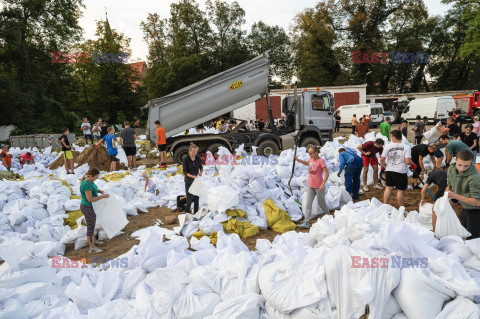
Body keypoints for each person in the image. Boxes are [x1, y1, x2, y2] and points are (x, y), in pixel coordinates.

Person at [446, 150, 480, 239]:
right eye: (459, 165)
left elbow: (477, 202)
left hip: (476, 210)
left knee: (473, 238)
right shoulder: (451, 169)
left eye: (466, 166)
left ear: (472, 163)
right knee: (463, 231)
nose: (462, 169)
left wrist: (454, 196)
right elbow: (449, 186)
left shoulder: (475, 177)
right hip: (465, 207)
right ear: (455, 160)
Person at [293, 145, 330, 228]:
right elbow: (307, 163)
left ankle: (329, 216)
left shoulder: (321, 161)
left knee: (321, 203)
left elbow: (327, 173)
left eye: (311, 153)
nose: (309, 155)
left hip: (318, 186)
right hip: (310, 185)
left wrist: (323, 184)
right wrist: (297, 160)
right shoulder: (311, 159)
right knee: (308, 204)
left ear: (316, 153)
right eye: (308, 153)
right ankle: (306, 222)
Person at [380, 129, 414, 207]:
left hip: (389, 170)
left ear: (394, 137)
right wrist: (413, 164)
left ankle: (385, 206)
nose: (391, 138)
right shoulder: (406, 147)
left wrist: (383, 169)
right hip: (400, 171)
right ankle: (401, 208)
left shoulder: (388, 146)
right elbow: (408, 161)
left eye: (392, 136)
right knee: (401, 191)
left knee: (388, 188)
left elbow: (382, 159)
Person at [80, 168, 109, 253]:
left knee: (92, 226)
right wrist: (103, 196)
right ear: (91, 176)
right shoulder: (86, 184)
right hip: (87, 207)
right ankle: (92, 248)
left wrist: (99, 191)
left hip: (90, 207)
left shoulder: (89, 181)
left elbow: (92, 189)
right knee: (90, 227)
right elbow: (90, 199)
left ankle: (92, 243)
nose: (97, 178)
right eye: (96, 177)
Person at [182, 144, 203, 214]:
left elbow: (201, 167)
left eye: (196, 151)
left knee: (197, 198)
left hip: (196, 181)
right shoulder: (186, 159)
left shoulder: (197, 158)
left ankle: (196, 213)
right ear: (189, 151)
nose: (195, 153)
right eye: (193, 151)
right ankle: (187, 213)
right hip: (189, 180)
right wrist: (193, 176)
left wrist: (201, 172)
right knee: (189, 198)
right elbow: (185, 172)